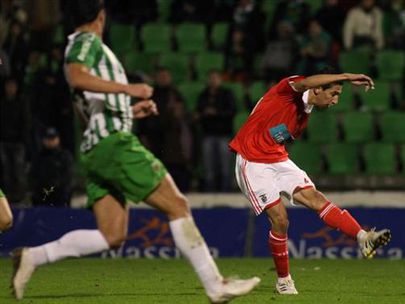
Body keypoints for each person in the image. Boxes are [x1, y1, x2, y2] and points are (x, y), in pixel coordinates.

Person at [10, 1, 260, 302]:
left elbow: (86, 106)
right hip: (114, 144)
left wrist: (129, 110)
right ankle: (215, 285)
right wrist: (130, 90)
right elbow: (77, 76)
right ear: (101, 16)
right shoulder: (87, 42)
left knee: (112, 236)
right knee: (177, 205)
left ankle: (33, 256)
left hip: (95, 147)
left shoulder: (77, 45)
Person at [229, 67, 391, 295]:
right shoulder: (288, 90)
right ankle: (284, 281)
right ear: (317, 88)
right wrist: (345, 77)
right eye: (334, 93)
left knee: (316, 199)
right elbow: (306, 83)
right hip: (253, 160)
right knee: (281, 220)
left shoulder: (303, 116)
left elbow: (278, 136)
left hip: (277, 158)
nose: (335, 100)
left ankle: (364, 238)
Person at [195, 70, 237, 192]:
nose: (213, 80)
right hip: (207, 134)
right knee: (209, 167)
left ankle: (225, 191)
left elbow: (232, 111)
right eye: (211, 78)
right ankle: (210, 192)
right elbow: (198, 112)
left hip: (224, 134)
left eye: (215, 78)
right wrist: (203, 114)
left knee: (224, 166)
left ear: (220, 80)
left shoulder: (227, 94)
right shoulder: (203, 95)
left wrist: (216, 113)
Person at [30, 127, 74, 207]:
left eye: (53, 138)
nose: (50, 141)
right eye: (48, 139)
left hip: (59, 197)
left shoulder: (64, 156)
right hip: (42, 197)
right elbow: (33, 177)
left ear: (58, 139)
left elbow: (66, 179)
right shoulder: (39, 157)